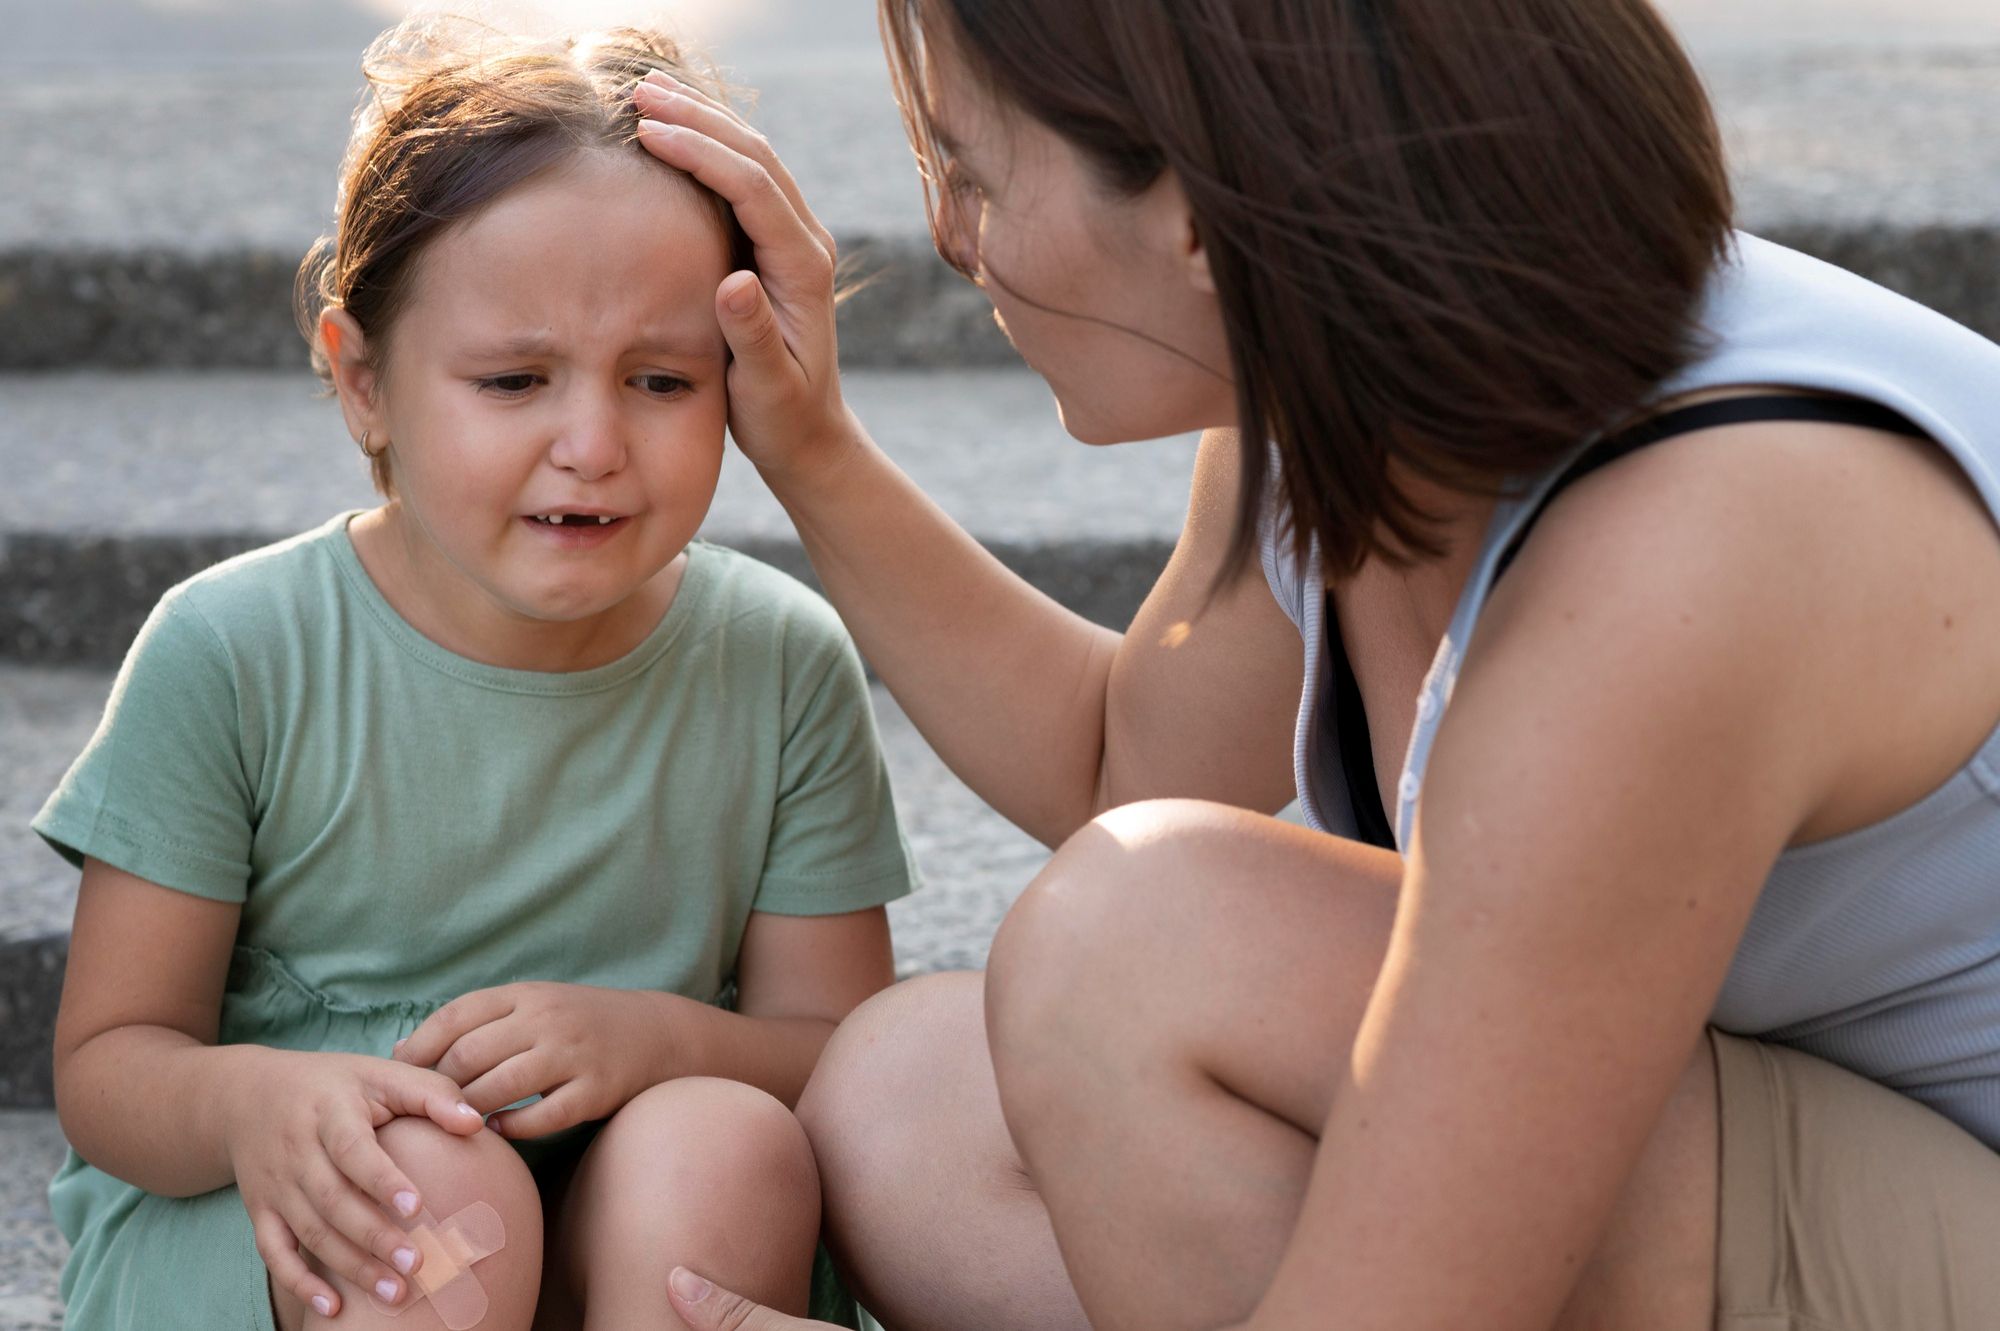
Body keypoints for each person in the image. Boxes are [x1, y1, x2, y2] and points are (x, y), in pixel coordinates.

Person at [628, 0, 2000, 1328]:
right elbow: (1123, 765)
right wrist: (809, 447)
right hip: (1800, 1131)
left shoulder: (1676, 567)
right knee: (908, 1100)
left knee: (1138, 945)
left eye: (971, 173)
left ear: (1194, 220)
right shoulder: (1349, 381)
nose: (948, 235)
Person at [35, 18, 914, 1331]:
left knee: (722, 1144)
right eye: (514, 379)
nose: (592, 442)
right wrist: (257, 1104)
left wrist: (658, 1040)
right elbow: (109, 1066)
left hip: (623, 1223)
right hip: (313, 1216)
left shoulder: (778, 661)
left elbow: (840, 1051)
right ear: (363, 381)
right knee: (436, 1188)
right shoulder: (232, 653)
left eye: (662, 380)